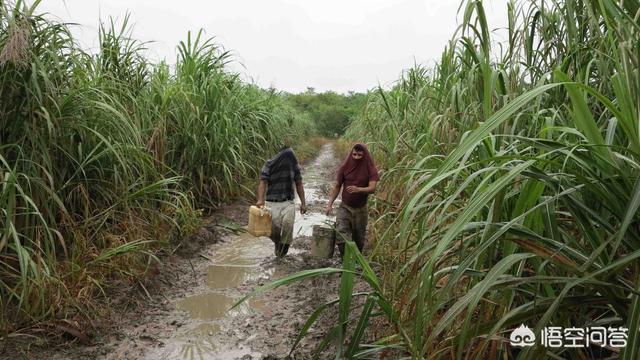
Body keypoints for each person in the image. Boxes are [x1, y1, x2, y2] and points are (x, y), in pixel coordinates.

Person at [325, 143, 379, 256]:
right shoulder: (344, 167)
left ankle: (355, 263)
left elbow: (373, 188)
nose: (356, 157)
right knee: (341, 234)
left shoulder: (371, 169)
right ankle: (345, 262)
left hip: (361, 210)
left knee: (359, 240)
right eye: (354, 154)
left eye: (359, 155)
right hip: (345, 207)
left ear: (364, 155)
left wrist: (358, 189)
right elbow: (337, 186)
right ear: (351, 154)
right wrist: (330, 204)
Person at [256, 144, 307, 257]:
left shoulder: (294, 166)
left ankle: (282, 254)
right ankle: (278, 244)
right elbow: (263, 182)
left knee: (288, 225)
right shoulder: (269, 164)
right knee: (272, 232)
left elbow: (299, 184)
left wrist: (303, 203)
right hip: (271, 202)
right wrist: (260, 199)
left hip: (288, 202)